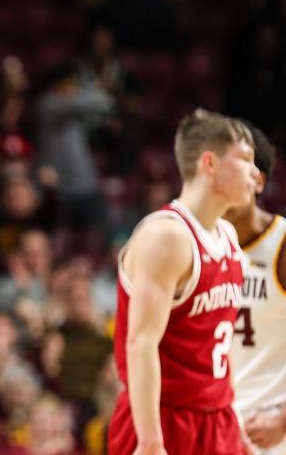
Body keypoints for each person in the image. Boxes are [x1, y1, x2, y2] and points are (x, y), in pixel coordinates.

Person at [108, 109, 258, 455]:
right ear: (210, 164)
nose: (255, 173)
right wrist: (150, 442)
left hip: (216, 419)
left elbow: (212, 345)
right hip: (163, 419)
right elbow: (140, 344)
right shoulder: (166, 236)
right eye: (246, 160)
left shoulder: (228, 235)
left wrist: (232, 421)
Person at [226, 123, 286, 454]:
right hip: (217, 429)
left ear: (257, 179)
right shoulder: (193, 246)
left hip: (273, 430)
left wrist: (283, 420)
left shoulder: (281, 243)